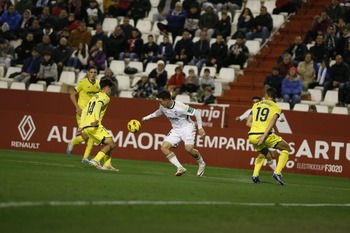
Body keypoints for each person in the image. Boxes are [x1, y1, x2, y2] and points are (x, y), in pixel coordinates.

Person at [142, 90, 206, 177]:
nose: (159, 103)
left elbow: (197, 112)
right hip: (176, 129)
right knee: (164, 148)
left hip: (187, 128)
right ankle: (180, 168)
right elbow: (161, 111)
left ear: (167, 100)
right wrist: (148, 117)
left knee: (189, 149)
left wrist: (200, 128)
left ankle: (201, 163)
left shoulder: (181, 107)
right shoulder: (162, 105)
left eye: (161, 101)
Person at [246, 88, 291, 186]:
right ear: (274, 97)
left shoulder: (255, 105)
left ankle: (255, 175)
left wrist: (257, 128)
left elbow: (248, 122)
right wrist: (264, 135)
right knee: (287, 148)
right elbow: (273, 121)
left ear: (266, 95)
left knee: (265, 153)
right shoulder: (276, 107)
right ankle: (277, 173)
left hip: (252, 136)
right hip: (264, 135)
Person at [78, 77, 118, 171]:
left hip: (87, 126)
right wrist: (96, 119)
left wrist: (81, 126)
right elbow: (99, 105)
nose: (110, 90)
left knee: (110, 143)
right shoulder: (105, 97)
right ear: (107, 87)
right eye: (110, 88)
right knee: (111, 144)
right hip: (94, 125)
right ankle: (96, 160)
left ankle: (107, 165)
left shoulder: (95, 96)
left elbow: (84, 111)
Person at [67, 65, 101, 163]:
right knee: (86, 136)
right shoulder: (82, 83)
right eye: (91, 72)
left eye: (95, 72)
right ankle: (72, 143)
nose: (93, 74)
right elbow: (72, 94)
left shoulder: (99, 84)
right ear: (87, 73)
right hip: (81, 113)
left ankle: (85, 158)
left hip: (92, 114)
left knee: (90, 136)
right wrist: (77, 107)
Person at [236, 96, 278, 172]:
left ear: (260, 102)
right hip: (257, 135)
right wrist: (238, 118)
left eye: (257, 102)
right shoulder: (249, 111)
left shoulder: (267, 108)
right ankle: (276, 173)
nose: (255, 103)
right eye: (253, 102)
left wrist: (280, 119)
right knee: (267, 155)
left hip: (268, 134)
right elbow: (243, 120)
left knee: (273, 155)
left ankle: (273, 171)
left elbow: (277, 116)